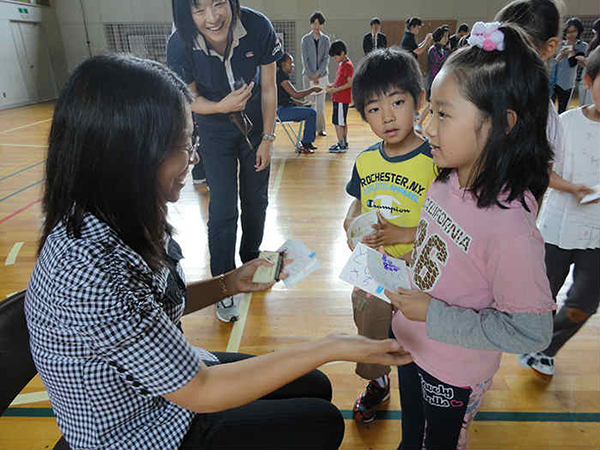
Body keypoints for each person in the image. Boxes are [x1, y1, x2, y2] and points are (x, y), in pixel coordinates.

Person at [25, 53, 414, 450]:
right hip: (145, 431)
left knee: (313, 385)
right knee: (322, 421)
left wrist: (230, 283)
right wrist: (331, 345)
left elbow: (155, 304)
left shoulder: (121, 215)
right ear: (130, 155)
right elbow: (202, 389)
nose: (193, 158)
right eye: (183, 145)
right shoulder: (88, 269)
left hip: (168, 388)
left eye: (191, 141)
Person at [387, 23, 556, 449]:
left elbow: (531, 332)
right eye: (431, 112)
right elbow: (440, 252)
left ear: (501, 124)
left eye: (443, 114)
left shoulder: (510, 228)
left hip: (452, 370)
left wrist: (434, 315)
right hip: (411, 344)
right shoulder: (445, 181)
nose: (426, 127)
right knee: (412, 440)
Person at [167, 0, 282, 322]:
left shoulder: (258, 26)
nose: (212, 17)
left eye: (219, 3)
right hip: (215, 129)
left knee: (256, 200)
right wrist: (221, 106)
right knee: (223, 208)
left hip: (256, 126)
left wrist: (268, 139)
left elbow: (270, 88)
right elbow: (189, 100)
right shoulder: (180, 43)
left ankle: (251, 259)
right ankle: (223, 282)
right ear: (187, 13)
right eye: (199, 9)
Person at [344, 48, 436, 423]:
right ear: (363, 115)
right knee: (367, 315)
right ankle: (378, 379)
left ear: (420, 101)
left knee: (421, 338)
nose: (387, 116)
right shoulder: (366, 160)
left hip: (422, 267)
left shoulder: (436, 159)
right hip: (379, 266)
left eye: (397, 102)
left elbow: (449, 223)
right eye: (374, 108)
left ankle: (431, 386)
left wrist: (402, 233)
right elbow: (357, 205)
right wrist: (350, 229)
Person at [518, 46, 600, 377]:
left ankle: (547, 347)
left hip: (596, 236)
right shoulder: (566, 123)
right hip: (557, 228)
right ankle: (532, 337)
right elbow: (542, 171)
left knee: (583, 304)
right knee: (542, 296)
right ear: (590, 82)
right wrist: (572, 188)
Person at [276, 53, 322, 154]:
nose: (293, 65)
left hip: (284, 108)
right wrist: (312, 89)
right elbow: (296, 94)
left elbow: (288, 98)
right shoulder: (281, 78)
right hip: (280, 112)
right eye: (290, 63)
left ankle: (308, 142)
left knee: (310, 112)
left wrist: (301, 104)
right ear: (283, 64)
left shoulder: (283, 76)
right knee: (311, 113)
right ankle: (306, 143)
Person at [301, 11, 330, 137]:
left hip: (322, 76)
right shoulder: (305, 39)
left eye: (319, 24)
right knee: (309, 105)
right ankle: (309, 130)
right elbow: (304, 59)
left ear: (322, 25)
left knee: (320, 105)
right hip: (308, 76)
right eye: (315, 24)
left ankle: (321, 128)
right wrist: (311, 74)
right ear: (311, 24)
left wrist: (318, 74)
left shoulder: (326, 39)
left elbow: (326, 59)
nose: (317, 27)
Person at [552, 17, 588, 113]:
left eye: (574, 31)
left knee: (563, 111)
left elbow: (573, 63)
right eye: (568, 32)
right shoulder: (559, 44)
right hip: (553, 81)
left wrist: (571, 51)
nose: (570, 34)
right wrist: (561, 54)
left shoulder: (582, 45)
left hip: (567, 83)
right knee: (549, 110)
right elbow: (553, 62)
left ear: (579, 31)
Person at [327, 40, 354, 153]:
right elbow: (339, 81)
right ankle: (344, 141)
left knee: (338, 123)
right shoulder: (342, 64)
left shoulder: (347, 65)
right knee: (342, 121)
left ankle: (341, 144)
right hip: (338, 98)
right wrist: (332, 86)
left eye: (335, 57)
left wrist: (335, 90)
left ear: (342, 53)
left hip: (341, 99)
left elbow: (349, 83)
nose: (335, 59)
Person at [577, 19, 600, 106]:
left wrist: (588, 63)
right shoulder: (593, 44)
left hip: (594, 82)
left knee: (591, 105)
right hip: (586, 79)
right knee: (584, 106)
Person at [426, 25, 450, 101]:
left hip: (441, 81)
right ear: (439, 37)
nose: (447, 39)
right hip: (434, 82)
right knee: (432, 105)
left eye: (447, 37)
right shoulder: (433, 49)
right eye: (444, 37)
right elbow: (438, 61)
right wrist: (448, 52)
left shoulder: (443, 49)